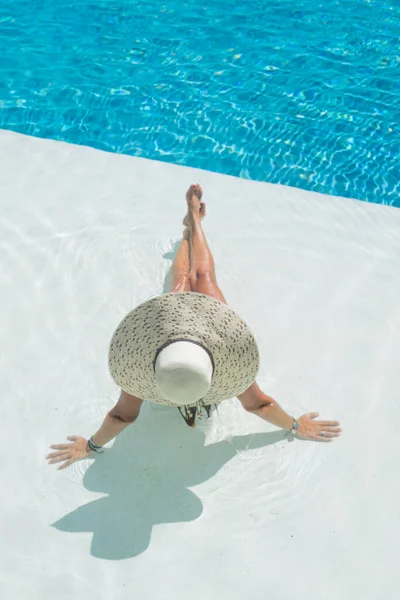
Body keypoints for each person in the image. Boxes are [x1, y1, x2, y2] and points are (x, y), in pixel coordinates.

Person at [46, 184, 341, 470]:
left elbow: (122, 417)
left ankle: (192, 224)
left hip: (175, 335)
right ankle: (192, 225)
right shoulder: (225, 359)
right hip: (200, 336)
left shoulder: (146, 367)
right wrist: (294, 425)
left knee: (187, 278)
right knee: (198, 277)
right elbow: (258, 405)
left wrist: (91, 445)